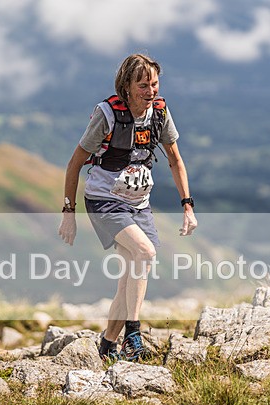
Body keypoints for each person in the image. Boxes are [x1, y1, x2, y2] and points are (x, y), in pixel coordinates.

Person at [58, 53, 197, 362]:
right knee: (145, 252)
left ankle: (107, 344)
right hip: (104, 200)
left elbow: (175, 160)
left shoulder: (160, 113)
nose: (151, 92)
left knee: (129, 278)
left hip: (139, 204)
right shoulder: (107, 116)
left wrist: (187, 205)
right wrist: (69, 214)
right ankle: (133, 334)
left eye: (154, 84)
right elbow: (75, 163)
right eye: (143, 85)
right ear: (126, 87)